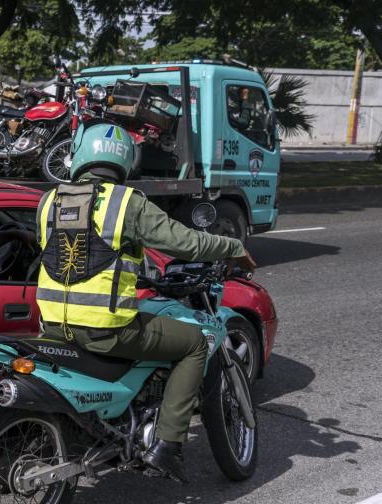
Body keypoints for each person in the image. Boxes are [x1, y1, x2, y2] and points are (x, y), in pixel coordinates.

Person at [34, 124, 256, 482]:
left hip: (54, 326)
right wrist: (234, 247)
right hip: (104, 329)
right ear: (125, 159)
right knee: (195, 344)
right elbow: (186, 244)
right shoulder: (124, 202)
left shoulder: (49, 201)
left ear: (80, 154)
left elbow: (73, 257)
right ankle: (167, 447)